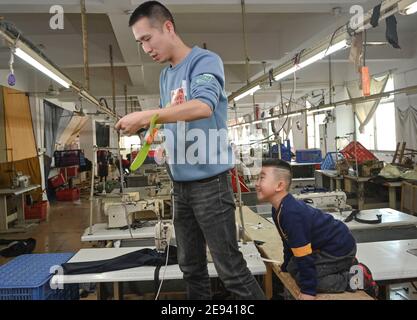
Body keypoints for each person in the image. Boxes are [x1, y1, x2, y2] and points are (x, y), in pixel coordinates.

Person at [115, 1, 265, 300]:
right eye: (139, 43)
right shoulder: (165, 75)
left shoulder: (205, 61)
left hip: (211, 185)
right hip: (180, 186)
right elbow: (173, 119)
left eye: (147, 39)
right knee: (190, 267)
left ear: (168, 27)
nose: (145, 49)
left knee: (230, 270)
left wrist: (147, 115)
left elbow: (202, 106)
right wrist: (149, 133)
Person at [255, 158, 357, 300]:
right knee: (293, 268)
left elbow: (303, 254)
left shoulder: (291, 214)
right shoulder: (278, 209)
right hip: (324, 246)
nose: (256, 183)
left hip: (339, 249)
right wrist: (286, 266)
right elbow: (288, 241)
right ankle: (339, 267)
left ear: (279, 185)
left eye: (262, 178)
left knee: (308, 280)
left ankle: (353, 277)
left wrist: (309, 291)